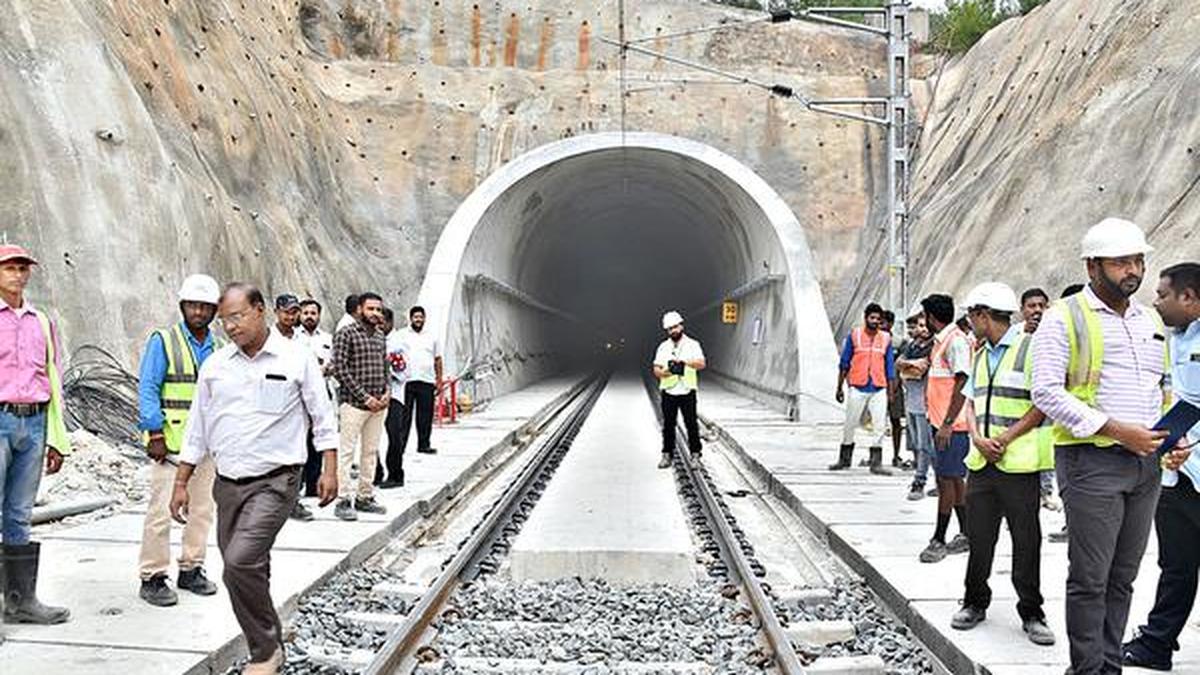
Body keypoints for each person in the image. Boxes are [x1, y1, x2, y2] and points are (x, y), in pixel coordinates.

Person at [1031, 218, 1187, 674]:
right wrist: (1119, 431)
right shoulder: (1065, 316)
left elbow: (1163, 388)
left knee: (1122, 578)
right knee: (1090, 580)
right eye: (1121, 262)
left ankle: (1107, 665)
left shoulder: (1149, 320)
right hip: (1091, 462)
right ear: (1093, 265)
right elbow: (1045, 392)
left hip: (1147, 464)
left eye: (1138, 260)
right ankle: (1087, 669)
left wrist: (1170, 441)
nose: (1132, 270)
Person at [170, 282, 338, 675]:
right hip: (227, 484)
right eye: (225, 319)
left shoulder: (296, 359)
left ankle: (265, 651)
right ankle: (269, 640)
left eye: (237, 316)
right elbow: (197, 429)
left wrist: (330, 468)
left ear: (260, 310)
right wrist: (181, 482)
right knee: (249, 566)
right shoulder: (216, 366)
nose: (230, 326)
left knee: (239, 563)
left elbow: (322, 415)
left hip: (277, 482)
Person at [950, 282, 1056, 646]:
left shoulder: (1031, 349)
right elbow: (971, 401)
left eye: (971, 315)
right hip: (982, 463)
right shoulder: (980, 353)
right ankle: (974, 602)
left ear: (983, 315)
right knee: (979, 538)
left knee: (1027, 540)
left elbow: (1042, 403)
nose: (969, 322)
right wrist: (978, 437)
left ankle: (1032, 611)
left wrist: (1005, 440)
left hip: (1020, 465)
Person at [1122, 262, 1200, 671]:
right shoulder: (1171, 337)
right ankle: (1156, 644)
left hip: (1185, 458)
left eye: (1163, 295)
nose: (1156, 302)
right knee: (1177, 565)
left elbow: (1194, 406)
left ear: (1189, 297)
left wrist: (1173, 439)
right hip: (1178, 474)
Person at [135, 274, 222, 607]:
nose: (198, 311)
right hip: (170, 444)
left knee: (201, 510)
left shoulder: (221, 348)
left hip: (208, 447)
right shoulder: (164, 340)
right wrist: (154, 431)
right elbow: (148, 388)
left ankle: (191, 567)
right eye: (192, 305)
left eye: (204, 306)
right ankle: (153, 575)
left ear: (214, 310)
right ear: (183, 306)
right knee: (161, 512)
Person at [0, 244, 71, 630]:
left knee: (19, 514)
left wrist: (57, 437)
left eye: (23, 268)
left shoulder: (41, 322)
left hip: (34, 422)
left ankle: (20, 601)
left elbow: (54, 378)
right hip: (0, 419)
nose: (18, 275)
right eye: (10, 268)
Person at [919, 293, 972, 563]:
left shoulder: (955, 342)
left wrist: (948, 424)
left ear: (930, 317)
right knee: (953, 479)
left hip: (952, 425)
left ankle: (939, 538)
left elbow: (963, 383)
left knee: (945, 480)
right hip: (942, 423)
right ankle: (966, 533)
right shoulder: (941, 342)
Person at [331, 292, 388, 521]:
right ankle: (343, 500)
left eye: (378, 310)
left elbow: (385, 366)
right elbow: (340, 369)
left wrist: (386, 392)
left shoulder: (381, 336)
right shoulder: (347, 333)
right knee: (347, 452)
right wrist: (365, 398)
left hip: (379, 405)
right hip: (354, 404)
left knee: (370, 452)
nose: (375, 314)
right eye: (370, 309)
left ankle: (365, 496)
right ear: (359, 310)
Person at [831, 303, 896, 475]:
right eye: (871, 318)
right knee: (850, 423)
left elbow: (890, 367)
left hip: (878, 387)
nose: (874, 321)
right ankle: (844, 459)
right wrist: (839, 387)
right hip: (858, 386)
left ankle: (876, 462)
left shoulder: (886, 339)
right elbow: (844, 363)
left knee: (879, 425)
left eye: (877, 319)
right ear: (865, 318)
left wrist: (890, 392)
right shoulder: (855, 335)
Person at [1019, 287, 1061, 512]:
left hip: (1049, 403)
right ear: (1022, 310)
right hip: (1022, 403)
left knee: (1046, 448)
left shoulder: (1055, 331)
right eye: (1031, 306)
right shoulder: (1015, 335)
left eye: (1041, 306)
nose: (1037, 310)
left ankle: (1046, 491)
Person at [653, 311, 706, 469]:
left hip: (687, 390)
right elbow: (656, 369)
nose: (673, 331)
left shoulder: (693, 345)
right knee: (668, 424)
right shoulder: (663, 347)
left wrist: (686, 362)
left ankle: (695, 455)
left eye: (675, 327)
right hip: (669, 391)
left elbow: (702, 364)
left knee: (691, 424)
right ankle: (666, 454)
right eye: (670, 329)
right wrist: (666, 372)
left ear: (681, 325)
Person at [391, 306, 443, 461]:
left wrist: (439, 379)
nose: (418, 320)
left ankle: (424, 444)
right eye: (415, 317)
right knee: (404, 416)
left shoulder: (432, 336)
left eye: (421, 317)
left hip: (426, 380)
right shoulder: (401, 335)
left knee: (425, 415)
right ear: (410, 318)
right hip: (407, 381)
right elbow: (395, 355)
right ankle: (400, 446)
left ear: (424, 318)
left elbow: (438, 359)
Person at [295, 298, 333, 499]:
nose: (310, 316)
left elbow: (335, 363)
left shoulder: (327, 338)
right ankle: (296, 485)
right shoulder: (293, 338)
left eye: (313, 313)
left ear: (319, 315)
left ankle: (312, 485)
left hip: (321, 393)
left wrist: (327, 369)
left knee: (317, 440)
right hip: (297, 398)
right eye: (306, 313)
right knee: (298, 439)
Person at [898, 307, 935, 500]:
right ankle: (939, 480)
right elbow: (899, 365)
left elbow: (921, 369)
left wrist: (908, 367)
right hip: (911, 400)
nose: (923, 329)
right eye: (920, 325)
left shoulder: (933, 347)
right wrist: (909, 366)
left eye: (925, 324)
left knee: (924, 445)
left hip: (925, 402)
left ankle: (919, 481)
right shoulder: (912, 345)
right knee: (921, 444)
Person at [379, 308, 409, 489]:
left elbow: (406, 372)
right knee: (370, 438)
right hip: (374, 396)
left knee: (394, 436)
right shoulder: (371, 338)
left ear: (390, 323)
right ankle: (376, 472)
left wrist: (388, 367)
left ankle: (396, 474)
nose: (379, 325)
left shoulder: (399, 342)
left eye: (382, 322)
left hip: (394, 396)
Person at [881, 310, 908, 468]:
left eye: (884, 322)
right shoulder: (874, 341)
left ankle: (896, 454)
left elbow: (900, 367)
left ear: (890, 324)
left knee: (896, 421)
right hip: (876, 386)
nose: (881, 326)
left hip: (895, 387)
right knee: (877, 423)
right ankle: (874, 456)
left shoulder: (898, 342)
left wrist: (894, 387)